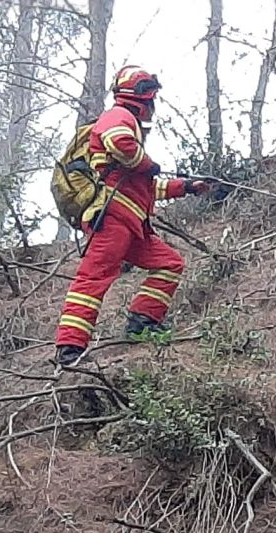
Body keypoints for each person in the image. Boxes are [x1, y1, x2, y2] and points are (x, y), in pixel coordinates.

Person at [55, 67, 219, 366]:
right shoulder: (120, 116)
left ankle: (142, 323)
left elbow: (145, 189)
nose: (154, 106)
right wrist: (146, 162)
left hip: (131, 225)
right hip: (113, 220)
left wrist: (187, 187)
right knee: (93, 278)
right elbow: (121, 145)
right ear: (143, 96)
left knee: (170, 264)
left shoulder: (129, 129)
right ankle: (70, 347)